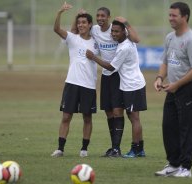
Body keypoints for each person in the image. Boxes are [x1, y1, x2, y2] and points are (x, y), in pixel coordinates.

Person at [73, 7, 142, 157]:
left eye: (103, 15)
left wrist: (127, 23)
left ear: (109, 17)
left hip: (118, 74)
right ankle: (114, 148)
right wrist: (80, 16)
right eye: (98, 15)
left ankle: (117, 148)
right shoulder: (95, 30)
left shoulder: (117, 29)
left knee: (118, 111)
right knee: (109, 113)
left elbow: (136, 40)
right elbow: (77, 32)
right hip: (106, 76)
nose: (100, 18)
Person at [153, 2, 192, 178]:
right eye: (169, 15)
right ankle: (173, 164)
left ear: (185, 17)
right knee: (169, 127)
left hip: (188, 89)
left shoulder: (191, 39)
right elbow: (165, 61)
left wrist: (177, 84)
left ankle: (186, 168)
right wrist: (160, 78)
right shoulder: (170, 37)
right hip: (172, 89)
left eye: (174, 15)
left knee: (187, 129)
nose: (170, 18)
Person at [86, 19, 147, 159]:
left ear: (124, 32)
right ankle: (140, 149)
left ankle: (136, 149)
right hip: (128, 84)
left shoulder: (125, 47)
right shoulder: (124, 43)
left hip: (133, 84)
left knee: (134, 117)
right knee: (133, 117)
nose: (113, 34)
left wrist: (93, 57)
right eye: (112, 31)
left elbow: (111, 67)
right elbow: (135, 38)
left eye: (117, 31)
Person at [51, 2, 99, 158]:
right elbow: (56, 29)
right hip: (72, 83)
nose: (81, 25)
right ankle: (60, 149)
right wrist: (60, 12)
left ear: (90, 24)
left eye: (84, 22)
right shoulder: (72, 38)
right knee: (66, 116)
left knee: (87, 117)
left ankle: (84, 149)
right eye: (79, 23)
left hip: (89, 85)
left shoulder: (96, 42)